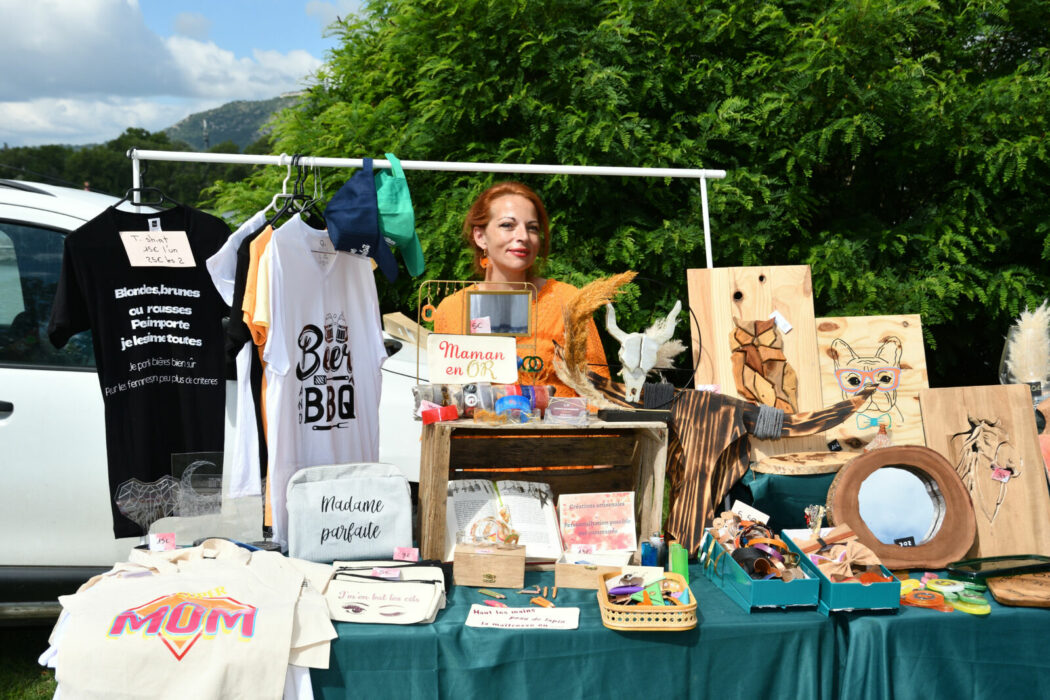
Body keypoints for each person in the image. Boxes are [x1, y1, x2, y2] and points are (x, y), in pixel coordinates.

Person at [432, 181, 609, 396]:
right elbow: (442, 399)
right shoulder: (451, 310)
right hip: (475, 429)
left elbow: (599, 395)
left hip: (554, 429)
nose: (523, 236)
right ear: (480, 237)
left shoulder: (567, 302)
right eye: (508, 225)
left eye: (532, 228)